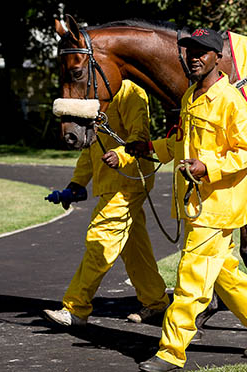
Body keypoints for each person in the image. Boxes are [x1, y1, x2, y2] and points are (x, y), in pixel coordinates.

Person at [122, 28, 247, 372]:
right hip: (195, 204)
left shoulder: (231, 101)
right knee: (225, 274)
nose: (193, 58)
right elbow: (181, 143)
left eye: (201, 52)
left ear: (216, 57)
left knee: (191, 279)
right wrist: (150, 148)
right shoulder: (190, 97)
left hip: (217, 207)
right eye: (189, 52)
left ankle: (171, 351)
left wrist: (208, 166)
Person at [43, 80, 170, 327]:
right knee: (134, 248)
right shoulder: (95, 96)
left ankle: (76, 307)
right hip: (110, 183)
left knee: (100, 239)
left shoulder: (131, 92)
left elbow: (140, 136)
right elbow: (91, 148)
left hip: (130, 180)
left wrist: (121, 155)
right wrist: (76, 185)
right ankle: (156, 302)